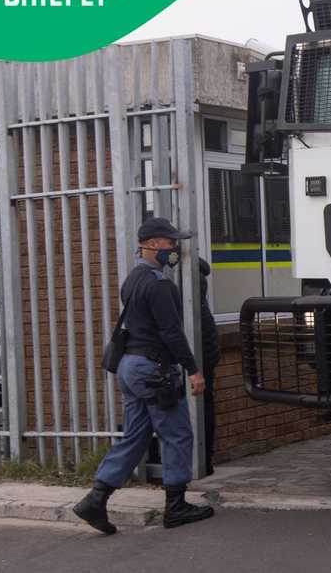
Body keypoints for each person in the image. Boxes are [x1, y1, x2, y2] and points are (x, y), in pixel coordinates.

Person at [73, 217, 214, 534]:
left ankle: (95, 500)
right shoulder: (159, 284)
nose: (174, 248)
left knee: (135, 437)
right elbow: (172, 333)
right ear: (152, 245)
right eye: (169, 242)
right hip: (153, 371)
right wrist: (193, 370)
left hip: (130, 367)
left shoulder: (133, 279)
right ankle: (175, 507)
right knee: (177, 433)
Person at [198, 258, 220, 476]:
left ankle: (202, 459)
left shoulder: (189, 274)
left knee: (202, 406)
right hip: (208, 346)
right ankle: (205, 458)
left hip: (201, 350)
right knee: (206, 404)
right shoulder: (198, 270)